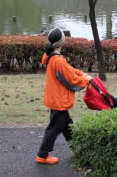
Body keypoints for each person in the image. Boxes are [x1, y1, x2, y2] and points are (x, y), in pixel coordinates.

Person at [36, 28, 91, 165]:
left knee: (67, 126)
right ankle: (42, 155)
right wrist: (86, 80)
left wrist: (82, 74)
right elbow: (71, 79)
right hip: (59, 99)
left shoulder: (53, 57)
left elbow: (70, 71)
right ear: (61, 41)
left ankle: (76, 148)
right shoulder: (58, 60)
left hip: (57, 98)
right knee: (54, 128)